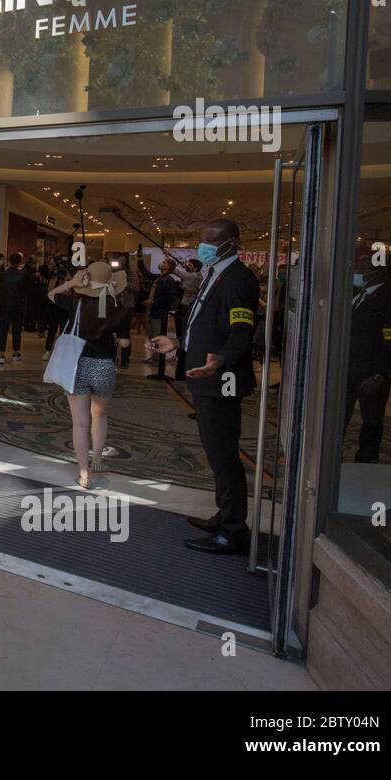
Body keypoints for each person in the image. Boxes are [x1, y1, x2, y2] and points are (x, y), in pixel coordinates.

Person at [147, 219, 258, 555]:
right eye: (201, 239)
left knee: (224, 455)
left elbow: (242, 332)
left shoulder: (238, 278)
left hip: (220, 380)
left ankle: (233, 530)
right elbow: (205, 325)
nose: (202, 244)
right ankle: (224, 515)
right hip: (205, 375)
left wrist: (220, 360)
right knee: (216, 453)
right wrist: (177, 343)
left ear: (231, 243)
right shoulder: (215, 274)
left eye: (210, 239)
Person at [48, 261, 131, 487]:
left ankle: (84, 473)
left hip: (76, 366)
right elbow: (124, 343)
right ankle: (97, 458)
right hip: (103, 366)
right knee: (100, 414)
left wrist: (71, 283)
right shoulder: (119, 307)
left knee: (80, 423)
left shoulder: (76, 303)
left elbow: (51, 295)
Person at [342, 246, 391, 463]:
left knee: (372, 420)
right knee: (341, 415)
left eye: (360, 262)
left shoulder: (388, 297)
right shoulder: (359, 293)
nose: (356, 267)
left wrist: (379, 374)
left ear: (373, 267)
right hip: (350, 367)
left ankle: (366, 460)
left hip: (371, 372)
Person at [144, 258, 182, 380]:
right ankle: (154, 357)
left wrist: (154, 302)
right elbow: (147, 274)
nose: (162, 263)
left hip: (158, 312)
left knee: (157, 334)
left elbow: (168, 297)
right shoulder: (159, 277)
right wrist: (139, 260)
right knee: (151, 335)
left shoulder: (168, 280)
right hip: (151, 310)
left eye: (165, 262)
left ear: (169, 267)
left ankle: (159, 359)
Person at [0, 251, 27, 365]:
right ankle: (15, 352)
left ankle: (2, 355)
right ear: (19, 262)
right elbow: (25, 291)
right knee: (17, 329)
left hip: (4, 305)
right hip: (18, 306)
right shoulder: (23, 275)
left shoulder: (3, 274)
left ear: (9, 261)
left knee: (3, 329)